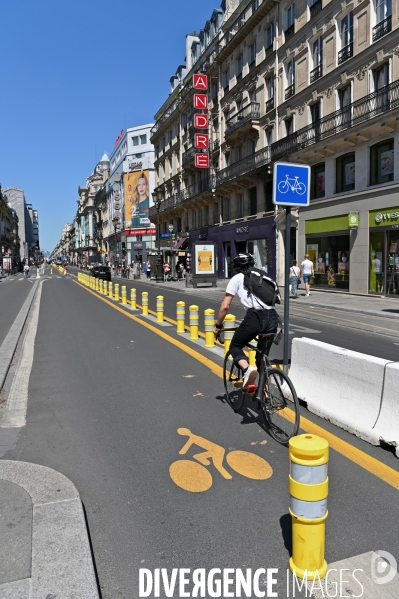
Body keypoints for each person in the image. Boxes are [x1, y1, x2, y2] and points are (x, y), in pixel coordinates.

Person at [214, 253, 280, 391]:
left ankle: (247, 370)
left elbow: (225, 306)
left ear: (237, 267)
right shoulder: (263, 275)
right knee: (262, 358)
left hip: (255, 317)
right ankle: (266, 395)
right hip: (273, 318)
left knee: (235, 346)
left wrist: (218, 325)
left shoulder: (237, 278)